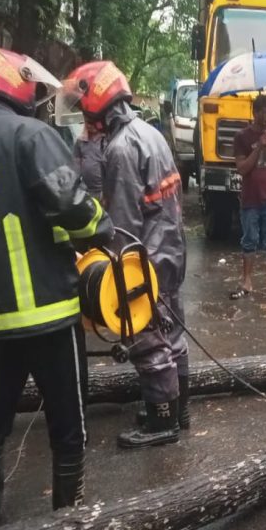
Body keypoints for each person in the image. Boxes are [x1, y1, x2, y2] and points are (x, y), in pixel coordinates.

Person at [0, 45, 115, 529]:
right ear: (10, 82)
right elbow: (74, 209)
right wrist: (103, 228)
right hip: (50, 313)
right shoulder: (29, 135)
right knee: (69, 431)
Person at [66, 60, 190, 448]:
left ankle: (162, 420)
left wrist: (113, 273)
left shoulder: (120, 149)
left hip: (145, 256)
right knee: (173, 330)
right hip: (170, 248)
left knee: (144, 337)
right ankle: (179, 408)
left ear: (97, 105)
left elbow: (122, 224)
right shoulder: (150, 133)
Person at [230, 94, 266, 302]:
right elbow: (242, 168)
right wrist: (258, 149)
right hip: (250, 198)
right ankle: (246, 282)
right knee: (249, 241)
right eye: (265, 112)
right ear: (255, 113)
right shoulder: (241, 137)